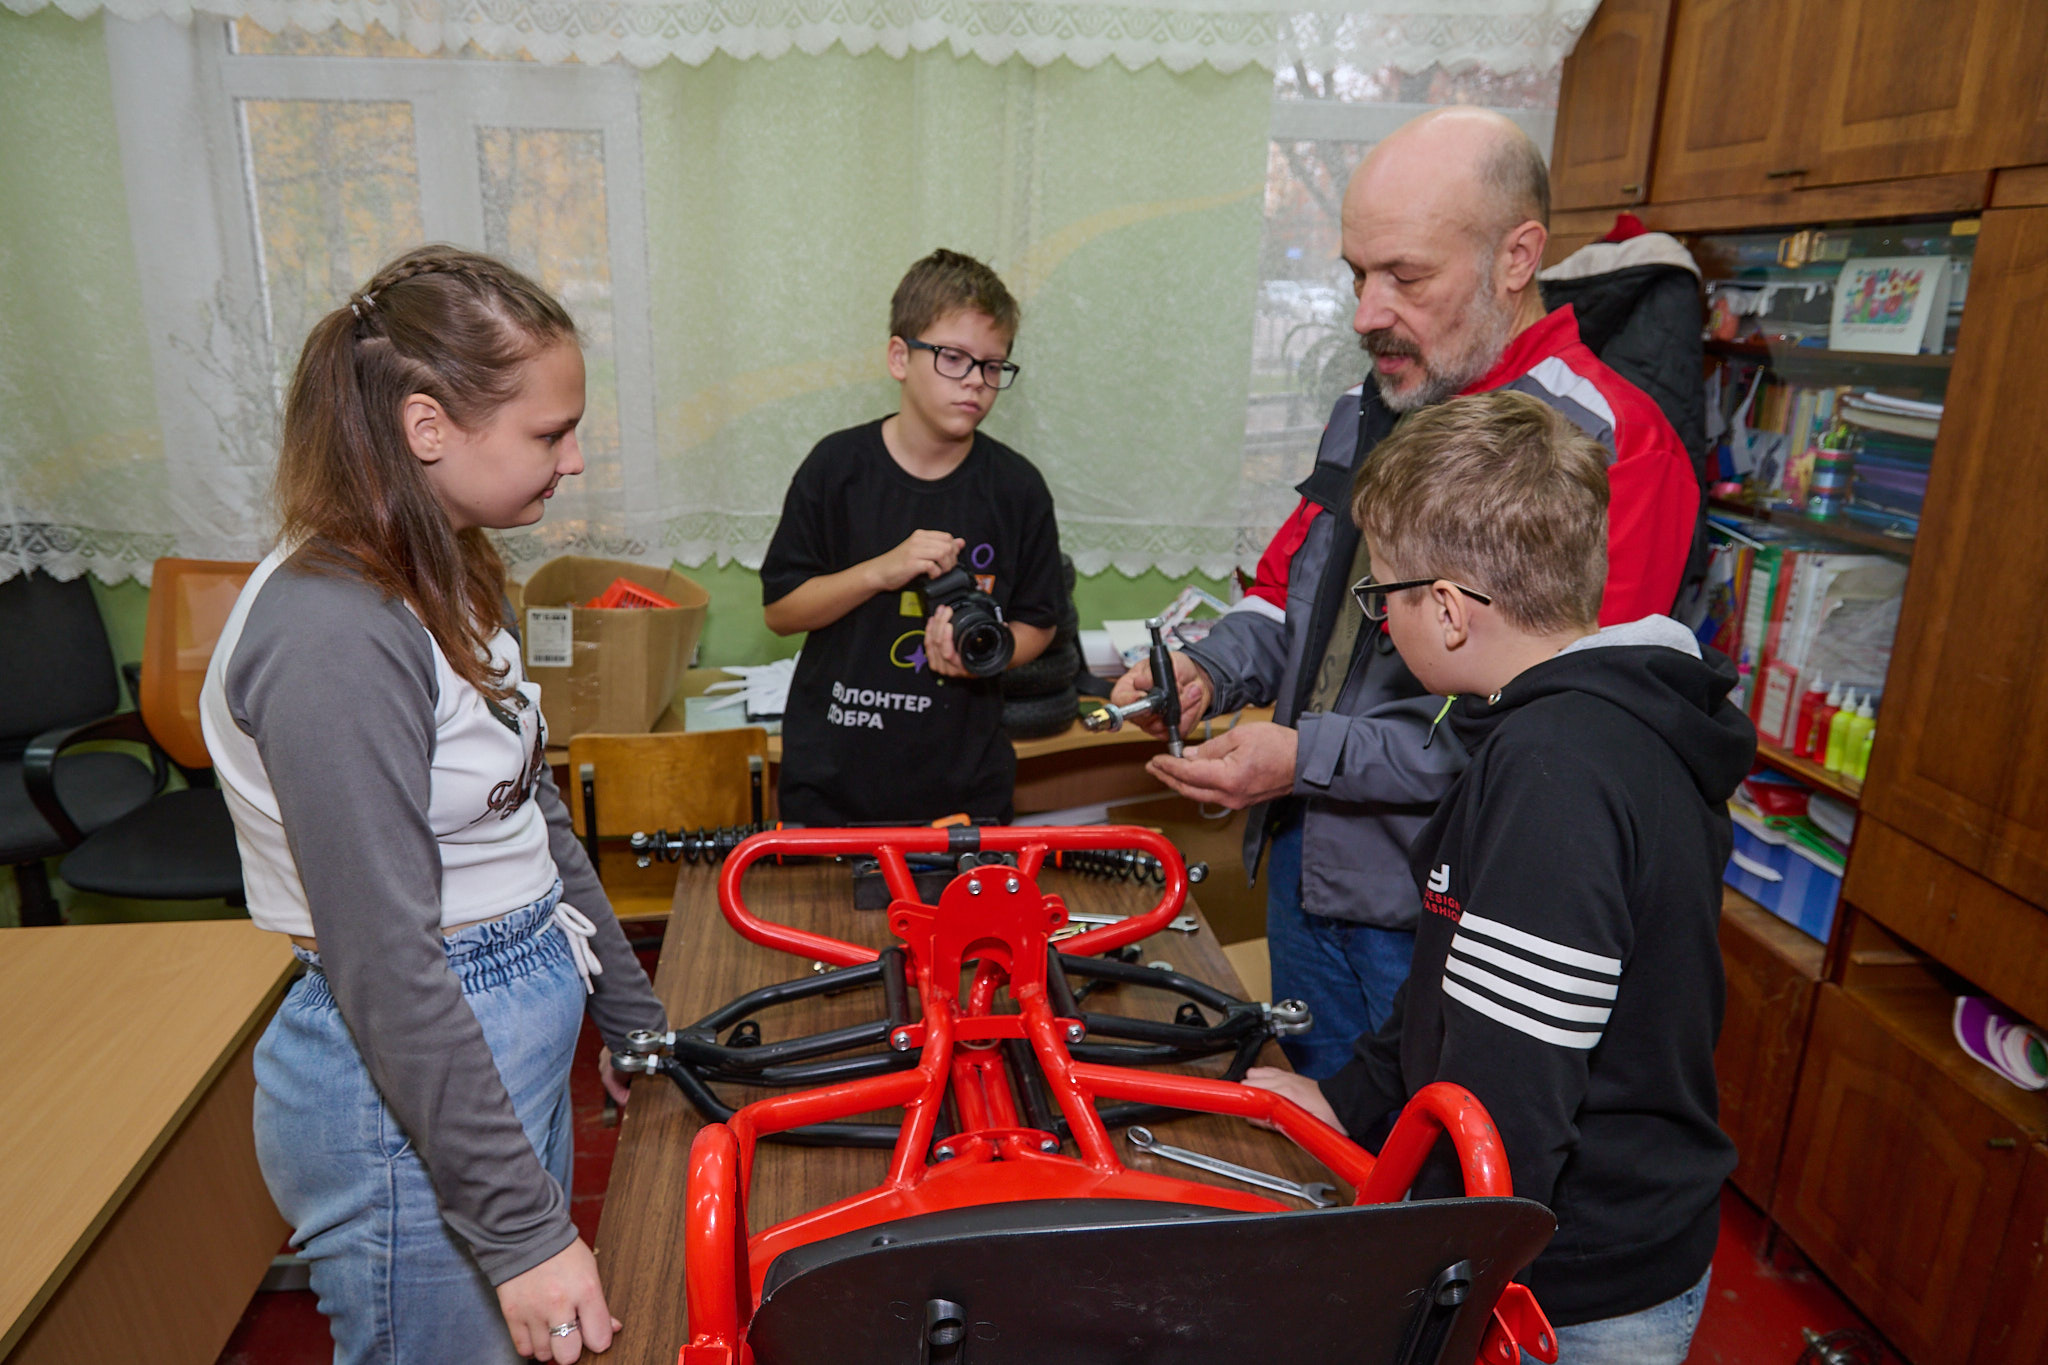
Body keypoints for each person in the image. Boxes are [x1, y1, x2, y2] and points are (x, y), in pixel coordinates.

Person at [1115, 107, 1701, 1075]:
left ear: (1516, 258)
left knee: (1427, 1149)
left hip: (1452, 911)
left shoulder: (1612, 444)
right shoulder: (1376, 400)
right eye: (1357, 274)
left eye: (1405, 276)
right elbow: (1290, 592)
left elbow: (1561, 730)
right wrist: (1208, 670)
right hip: (1310, 866)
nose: (1364, 314)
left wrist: (1307, 756)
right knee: (1322, 1120)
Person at [198, 246, 667, 1364]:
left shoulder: (448, 564)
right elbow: (384, 958)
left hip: (505, 1011)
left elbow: (528, 814)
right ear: (427, 427)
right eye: (551, 433)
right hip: (413, 1062)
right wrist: (520, 1231)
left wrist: (628, 1011)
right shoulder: (333, 632)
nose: (574, 459)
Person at [1247, 391, 1750, 1364]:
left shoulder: (1554, 771)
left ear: (1445, 609)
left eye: (1382, 596)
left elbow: (1506, 1111)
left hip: (1576, 1282)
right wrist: (1343, 1098)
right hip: (1585, 1234)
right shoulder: (1579, 726)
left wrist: (1428, 1295)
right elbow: (1452, 986)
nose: (1380, 621)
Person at [761, 249, 1064, 826]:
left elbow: (1039, 621)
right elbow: (781, 611)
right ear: (900, 357)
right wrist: (881, 571)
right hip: (832, 782)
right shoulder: (836, 468)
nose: (975, 382)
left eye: (992, 366)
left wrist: (982, 659)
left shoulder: (1018, 488)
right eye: (953, 358)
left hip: (963, 793)